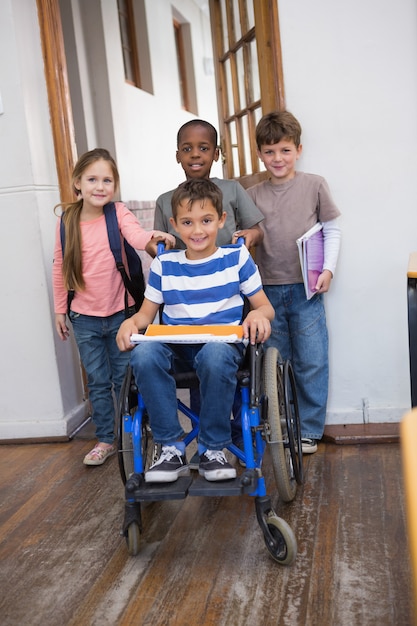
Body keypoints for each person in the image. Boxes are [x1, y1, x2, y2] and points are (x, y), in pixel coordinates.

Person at [116, 178, 274, 483]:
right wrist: (129, 323)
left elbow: (265, 307)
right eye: (187, 222)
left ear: (221, 220)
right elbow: (146, 316)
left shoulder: (236, 258)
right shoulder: (165, 264)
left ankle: (213, 448)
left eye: (206, 220)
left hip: (222, 348)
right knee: (144, 354)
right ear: (174, 225)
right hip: (177, 349)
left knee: (214, 355)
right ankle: (171, 447)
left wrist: (258, 316)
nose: (197, 230)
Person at [52, 148, 175, 466]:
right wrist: (60, 309)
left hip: (123, 315)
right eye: (92, 179)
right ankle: (106, 439)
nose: (100, 186)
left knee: (125, 378)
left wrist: (152, 236)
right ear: (77, 183)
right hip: (83, 317)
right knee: (96, 380)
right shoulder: (67, 220)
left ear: (115, 185)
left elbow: (135, 236)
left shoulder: (117, 213)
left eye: (107, 180)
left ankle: (134, 433)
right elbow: (60, 265)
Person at [247, 111, 341, 455]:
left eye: (285, 150)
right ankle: (282, 426)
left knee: (312, 360)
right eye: (270, 152)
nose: (278, 159)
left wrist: (328, 270)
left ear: (298, 150)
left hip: (307, 289)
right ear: (260, 153)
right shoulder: (252, 194)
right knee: (277, 361)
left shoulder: (314, 185)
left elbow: (332, 230)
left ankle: (310, 430)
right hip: (266, 292)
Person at [153, 119, 265, 251]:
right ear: (178, 156)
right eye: (187, 149)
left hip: (228, 268)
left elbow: (257, 231)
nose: (195, 154)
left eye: (203, 148)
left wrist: (251, 234)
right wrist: (154, 246)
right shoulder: (164, 201)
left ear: (216, 154)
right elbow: (158, 243)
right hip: (184, 271)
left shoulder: (232, 189)